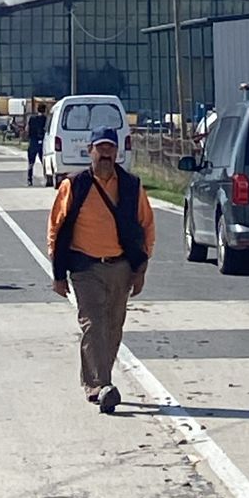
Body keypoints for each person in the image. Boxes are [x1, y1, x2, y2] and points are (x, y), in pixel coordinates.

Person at [47, 128, 155, 413]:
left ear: (117, 152)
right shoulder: (74, 185)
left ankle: (96, 381)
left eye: (110, 148)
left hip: (120, 266)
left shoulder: (132, 185)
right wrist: (58, 274)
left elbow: (146, 226)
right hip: (85, 267)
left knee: (113, 327)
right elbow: (56, 229)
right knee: (93, 325)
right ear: (90, 151)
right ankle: (101, 384)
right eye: (100, 148)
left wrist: (141, 268)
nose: (105, 154)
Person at [25, 103, 48, 186]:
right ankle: (46, 179)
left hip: (33, 142)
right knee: (44, 162)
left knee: (31, 162)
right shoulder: (46, 119)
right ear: (45, 110)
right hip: (42, 142)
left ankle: (29, 180)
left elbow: (27, 129)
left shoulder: (32, 118)